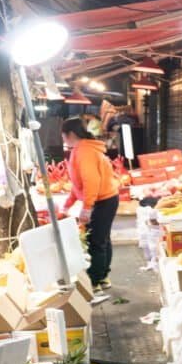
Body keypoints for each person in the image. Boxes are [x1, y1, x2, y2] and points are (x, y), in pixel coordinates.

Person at [61, 117, 119, 292]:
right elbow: (78, 184)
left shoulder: (84, 151)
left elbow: (91, 181)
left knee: (97, 241)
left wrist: (87, 207)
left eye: (63, 135)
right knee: (102, 239)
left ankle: (95, 281)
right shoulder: (82, 149)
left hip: (104, 200)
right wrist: (68, 203)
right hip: (105, 199)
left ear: (70, 134)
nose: (62, 139)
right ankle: (102, 277)